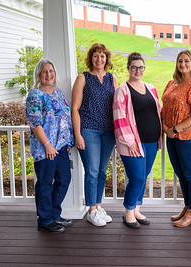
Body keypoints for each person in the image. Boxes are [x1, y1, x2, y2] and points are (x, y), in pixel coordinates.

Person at [113, 52, 162, 228]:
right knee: (137, 179)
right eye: (134, 67)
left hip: (151, 142)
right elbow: (119, 117)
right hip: (133, 144)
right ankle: (128, 212)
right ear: (128, 68)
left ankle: (136, 209)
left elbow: (158, 111)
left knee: (144, 176)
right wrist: (129, 141)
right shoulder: (122, 90)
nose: (138, 70)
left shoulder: (151, 88)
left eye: (141, 67)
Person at [71, 43, 117, 227]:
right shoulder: (83, 78)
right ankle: (91, 210)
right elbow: (74, 108)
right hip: (88, 130)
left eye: (102, 56)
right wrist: (77, 135)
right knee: (91, 171)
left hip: (108, 131)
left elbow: (118, 106)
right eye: (96, 56)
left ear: (107, 59)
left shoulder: (112, 79)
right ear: (91, 58)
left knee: (102, 171)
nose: (99, 59)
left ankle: (98, 206)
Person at [26, 59, 74, 233]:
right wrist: (47, 144)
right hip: (45, 147)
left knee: (64, 179)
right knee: (46, 183)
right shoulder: (35, 95)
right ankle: (45, 219)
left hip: (60, 146)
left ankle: (54, 214)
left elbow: (65, 117)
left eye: (51, 71)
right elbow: (35, 122)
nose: (48, 74)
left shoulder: (57, 93)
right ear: (39, 74)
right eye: (44, 71)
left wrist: (68, 141)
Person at [162, 50, 191, 228]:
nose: (183, 64)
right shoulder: (171, 84)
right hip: (171, 136)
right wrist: (166, 128)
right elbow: (164, 107)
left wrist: (174, 129)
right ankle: (187, 207)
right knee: (181, 174)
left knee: (190, 174)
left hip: (188, 137)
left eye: (186, 61)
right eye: (180, 61)